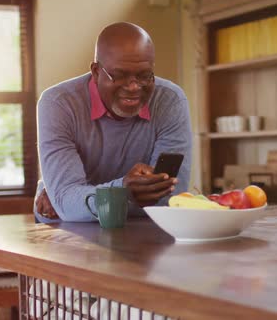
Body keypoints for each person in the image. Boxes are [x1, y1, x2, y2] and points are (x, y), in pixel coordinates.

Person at [34, 22, 192, 223]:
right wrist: (125, 192)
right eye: (120, 76)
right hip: (68, 231)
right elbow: (66, 204)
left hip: (139, 229)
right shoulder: (58, 104)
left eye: (144, 76)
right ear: (96, 71)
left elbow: (170, 201)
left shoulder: (170, 101)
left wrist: (83, 200)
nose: (134, 87)